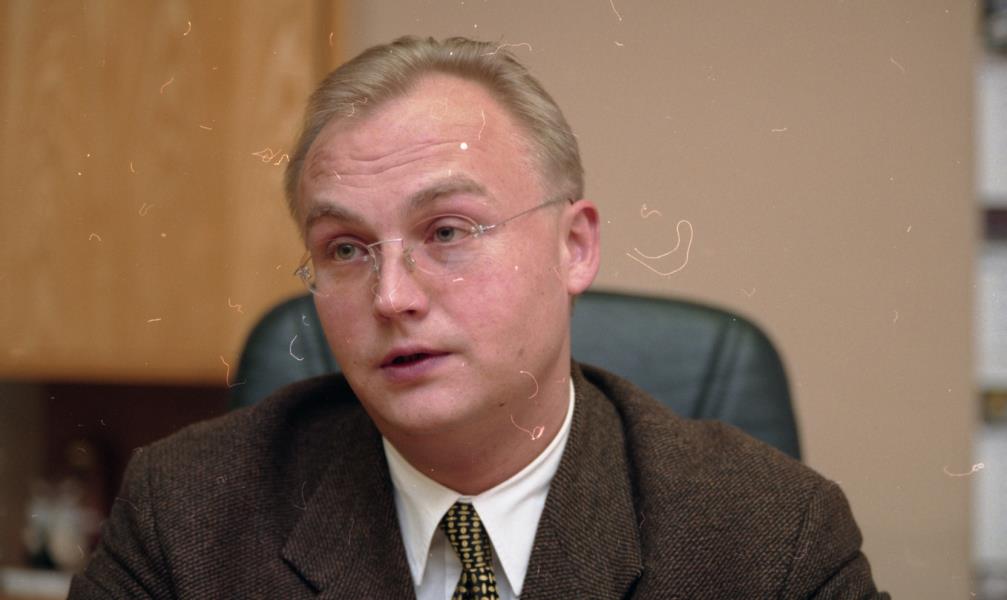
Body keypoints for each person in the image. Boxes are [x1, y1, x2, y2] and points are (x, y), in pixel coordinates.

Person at [69, 36, 887, 599]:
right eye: (346, 249)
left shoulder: (768, 537)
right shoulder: (186, 512)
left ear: (573, 247)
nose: (392, 297)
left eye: (447, 233)